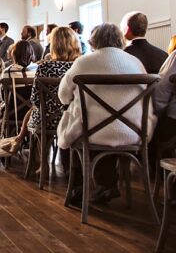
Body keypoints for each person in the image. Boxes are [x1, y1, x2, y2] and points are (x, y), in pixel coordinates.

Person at [57, 23, 155, 206]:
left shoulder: (83, 62)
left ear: (94, 41)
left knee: (73, 132)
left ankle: (77, 188)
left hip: (93, 131)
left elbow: (63, 96)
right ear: (120, 40)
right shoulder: (135, 62)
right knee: (108, 128)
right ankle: (107, 184)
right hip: (133, 131)